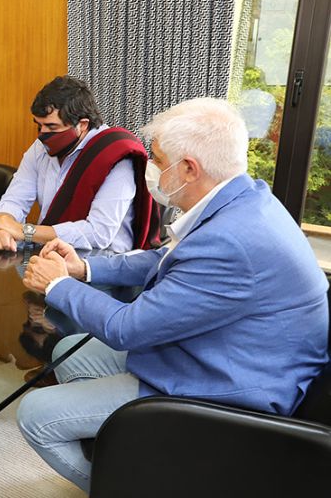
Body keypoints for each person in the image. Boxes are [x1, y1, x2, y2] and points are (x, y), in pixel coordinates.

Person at [17, 98, 329, 492]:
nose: (151, 168)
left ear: (189, 169)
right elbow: (164, 258)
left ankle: (121, 487)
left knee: (35, 415)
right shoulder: (245, 199)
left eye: (158, 159)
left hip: (231, 386)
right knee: (69, 350)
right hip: (229, 350)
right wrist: (84, 268)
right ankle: (133, 453)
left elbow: (127, 329)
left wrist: (58, 285)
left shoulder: (229, 242)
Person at [0, 76, 158, 253]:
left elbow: (99, 233)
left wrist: (25, 231)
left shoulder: (115, 154)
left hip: (102, 259)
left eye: (52, 127)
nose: (43, 134)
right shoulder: (40, 148)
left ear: (82, 125)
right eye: (39, 126)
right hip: (48, 253)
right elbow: (15, 199)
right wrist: (2, 224)